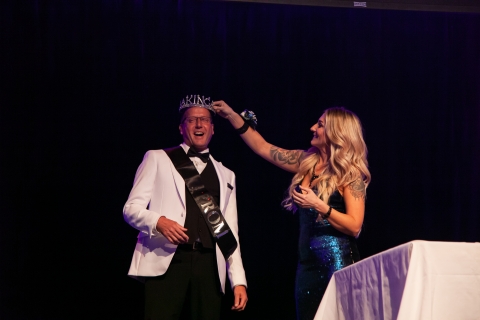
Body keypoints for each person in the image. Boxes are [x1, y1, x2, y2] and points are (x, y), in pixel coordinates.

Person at [212, 101, 370, 320]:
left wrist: (320, 206)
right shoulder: (306, 161)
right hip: (306, 268)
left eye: (321, 125)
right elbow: (262, 147)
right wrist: (230, 115)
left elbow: (355, 226)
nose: (313, 127)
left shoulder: (350, 174)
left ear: (336, 133)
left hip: (338, 266)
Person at [123, 95, 248, 320]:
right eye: (192, 120)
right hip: (168, 261)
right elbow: (130, 209)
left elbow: (230, 232)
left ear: (213, 128)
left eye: (205, 120)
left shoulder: (227, 174)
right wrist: (158, 221)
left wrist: (238, 280)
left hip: (210, 266)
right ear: (181, 128)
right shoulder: (158, 158)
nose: (199, 125)